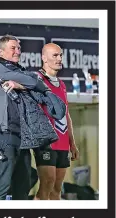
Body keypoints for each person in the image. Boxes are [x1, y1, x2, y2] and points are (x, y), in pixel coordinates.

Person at [0, 35, 65, 200]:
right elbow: (33, 80)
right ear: (1, 52)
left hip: (21, 137)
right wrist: (29, 82)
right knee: (3, 185)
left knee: (23, 184)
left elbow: (29, 82)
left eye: (18, 48)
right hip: (3, 135)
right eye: (12, 48)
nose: (17, 51)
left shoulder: (18, 70)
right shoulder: (0, 68)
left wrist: (21, 85)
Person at [34, 43, 79, 200]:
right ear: (44, 58)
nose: (60, 59)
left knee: (57, 188)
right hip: (46, 140)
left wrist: (72, 143)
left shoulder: (61, 84)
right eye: (55, 55)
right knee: (47, 183)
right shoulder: (36, 80)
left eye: (61, 55)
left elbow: (66, 115)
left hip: (62, 142)